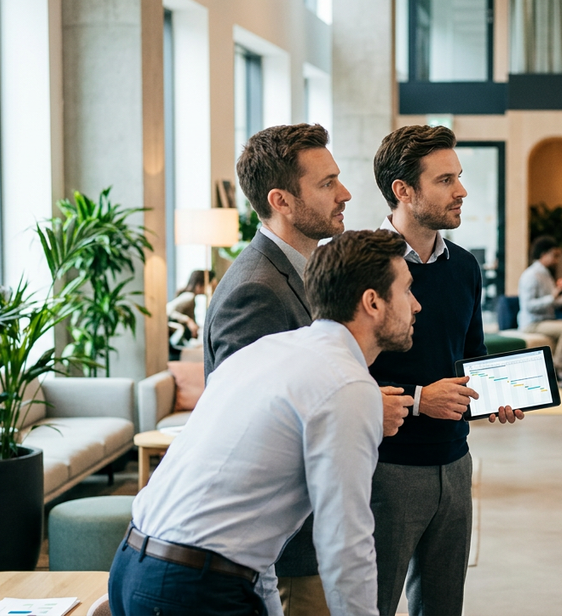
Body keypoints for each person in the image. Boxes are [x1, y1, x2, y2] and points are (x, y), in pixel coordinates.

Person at [109, 230, 420, 616]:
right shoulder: (347, 384)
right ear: (372, 302)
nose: (416, 305)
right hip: (195, 589)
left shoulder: (268, 350)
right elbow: (344, 540)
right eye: (406, 290)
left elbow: (257, 537)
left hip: (133, 565)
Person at [202, 123, 411, 616]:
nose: (345, 193)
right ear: (282, 200)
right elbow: (248, 426)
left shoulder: (308, 273)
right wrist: (358, 406)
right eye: (326, 184)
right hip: (289, 556)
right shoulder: (257, 289)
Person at [367, 124, 523, 616]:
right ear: (404, 191)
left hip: (456, 464)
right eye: (445, 180)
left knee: (442, 607)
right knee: (371, 605)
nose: (461, 191)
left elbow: (469, 354)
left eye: (459, 177)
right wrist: (419, 398)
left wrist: (495, 394)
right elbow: (335, 373)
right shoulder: (359, 265)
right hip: (384, 470)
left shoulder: (464, 267)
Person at [517, 236, 562, 384]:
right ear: (544, 254)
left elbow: (555, 304)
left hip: (547, 319)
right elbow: (528, 306)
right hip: (533, 323)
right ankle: (558, 369)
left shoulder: (545, 274)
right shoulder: (531, 275)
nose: (556, 260)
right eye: (554, 256)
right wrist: (552, 297)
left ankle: (559, 369)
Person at [167, 270, 209, 358]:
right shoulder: (189, 297)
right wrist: (187, 320)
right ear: (199, 285)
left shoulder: (192, 298)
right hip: (174, 339)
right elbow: (168, 310)